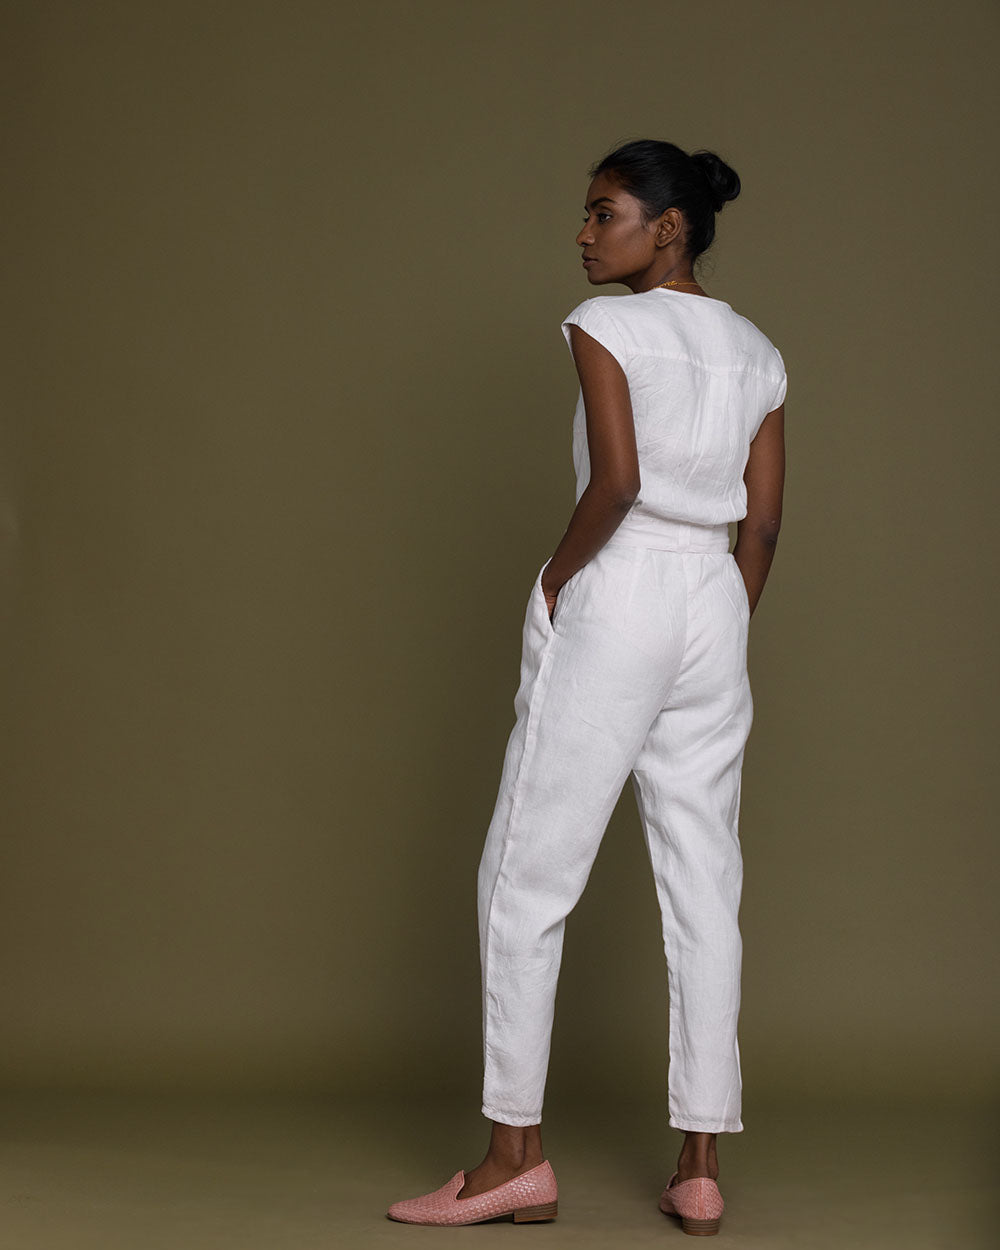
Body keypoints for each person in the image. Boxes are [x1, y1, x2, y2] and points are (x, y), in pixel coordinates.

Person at [387, 138, 787, 1234]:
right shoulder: (758, 351)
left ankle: (511, 1159)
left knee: (526, 873)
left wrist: (559, 580)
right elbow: (761, 523)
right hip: (714, 596)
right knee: (704, 878)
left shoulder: (608, 326)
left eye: (604, 213)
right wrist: (723, 615)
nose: (584, 233)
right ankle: (699, 1167)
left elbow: (615, 483)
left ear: (669, 227)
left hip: (621, 586)